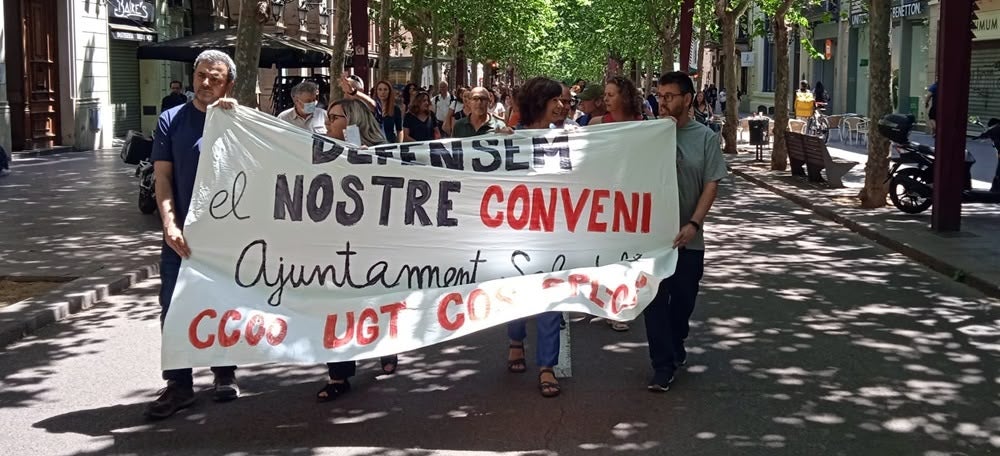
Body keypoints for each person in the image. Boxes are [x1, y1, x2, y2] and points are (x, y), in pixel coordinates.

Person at [146, 50, 241, 420]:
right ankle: (179, 384)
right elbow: (163, 178)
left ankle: (224, 372)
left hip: (228, 238)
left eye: (214, 77)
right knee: (173, 308)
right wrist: (169, 223)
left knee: (224, 304)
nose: (205, 83)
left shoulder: (239, 122)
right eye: (201, 75)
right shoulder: (171, 120)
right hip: (180, 238)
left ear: (228, 83)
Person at [645, 71, 727, 392]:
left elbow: (711, 183)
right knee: (653, 302)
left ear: (687, 99)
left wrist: (694, 223)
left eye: (669, 96)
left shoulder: (705, 138)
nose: (662, 102)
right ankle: (662, 366)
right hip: (651, 240)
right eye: (660, 96)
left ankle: (676, 342)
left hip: (689, 240)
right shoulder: (647, 135)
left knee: (682, 303)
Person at [318, 98, 400, 401]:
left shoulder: (384, 153)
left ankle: (387, 347)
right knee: (337, 305)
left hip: (374, 244)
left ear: (352, 122)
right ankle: (338, 374)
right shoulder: (318, 150)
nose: (328, 122)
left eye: (334, 117)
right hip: (336, 244)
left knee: (376, 300)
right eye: (327, 117)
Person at [505, 76, 567, 398]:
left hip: (554, 230)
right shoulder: (511, 139)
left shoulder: (570, 139)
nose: (560, 105)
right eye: (553, 99)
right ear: (537, 102)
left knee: (551, 297)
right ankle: (516, 339)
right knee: (514, 289)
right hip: (516, 230)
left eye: (562, 100)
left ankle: (547, 365)